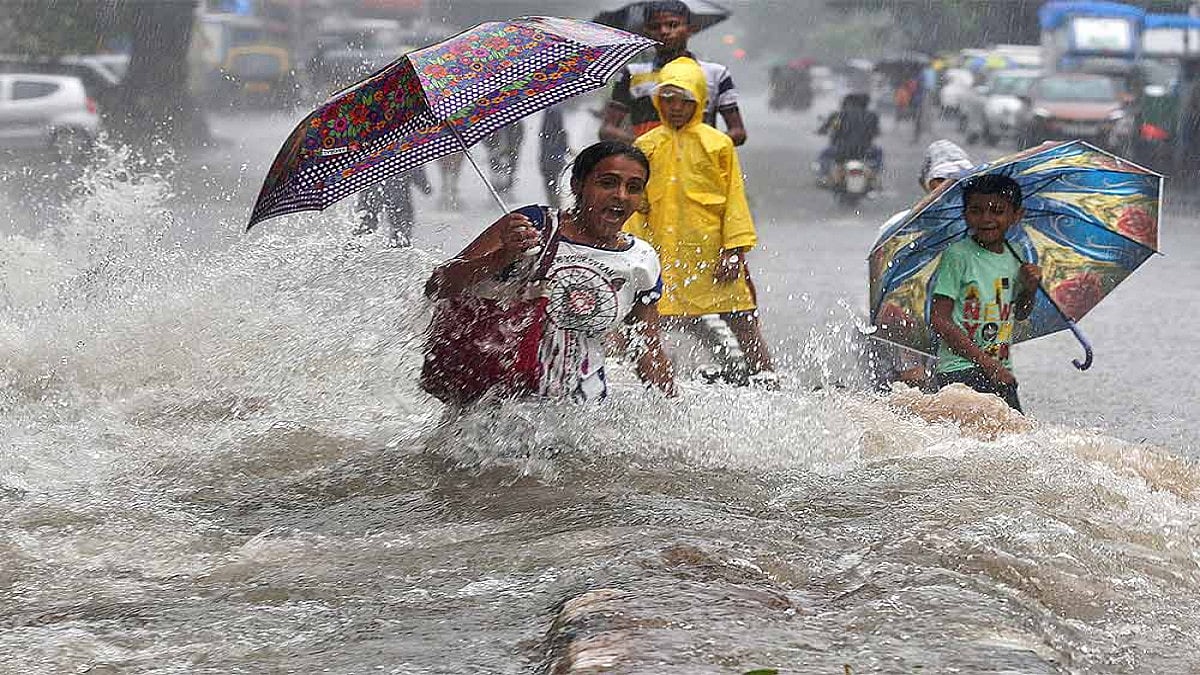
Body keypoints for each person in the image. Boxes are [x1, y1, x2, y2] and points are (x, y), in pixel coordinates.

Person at [425, 140, 675, 402]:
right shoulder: (532, 227)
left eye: (633, 188)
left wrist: (673, 415)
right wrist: (502, 256)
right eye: (607, 183)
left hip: (582, 417)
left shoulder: (640, 259)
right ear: (577, 185)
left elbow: (647, 349)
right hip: (493, 407)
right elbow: (438, 285)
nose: (621, 195)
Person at [624, 57, 775, 383]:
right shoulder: (645, 146)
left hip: (710, 253)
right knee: (645, 320)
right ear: (657, 100)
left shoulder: (718, 144)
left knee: (741, 317)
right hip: (660, 252)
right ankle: (650, 383)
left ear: (699, 100)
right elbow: (637, 205)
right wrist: (631, 253)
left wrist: (733, 251)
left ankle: (767, 379)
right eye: (668, 99)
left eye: (685, 100)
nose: (676, 108)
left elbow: (734, 200)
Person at [929, 174, 1042, 412]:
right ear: (965, 214)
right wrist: (988, 365)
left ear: (1016, 216)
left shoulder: (1018, 255)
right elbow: (939, 319)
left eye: (998, 211)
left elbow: (1020, 313)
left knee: (1015, 439)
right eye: (976, 210)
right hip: (959, 369)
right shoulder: (958, 255)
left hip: (999, 370)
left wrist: (1029, 289)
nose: (986, 219)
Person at [869, 139, 975, 390]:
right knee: (914, 387)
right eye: (941, 182)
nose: (949, 189)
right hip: (908, 319)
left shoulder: (981, 228)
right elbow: (879, 283)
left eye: (958, 182)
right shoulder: (899, 228)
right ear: (927, 185)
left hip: (959, 321)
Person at [599, 0, 747, 146]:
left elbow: (738, 132)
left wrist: (702, 145)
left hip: (700, 167)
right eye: (654, 26)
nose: (664, 31)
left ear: (690, 29)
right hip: (648, 165)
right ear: (646, 32)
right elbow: (607, 129)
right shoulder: (632, 74)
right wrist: (646, 146)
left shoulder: (716, 74)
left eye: (672, 25)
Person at [354, 167, 432, 248]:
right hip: (398, 195)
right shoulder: (405, 157)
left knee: (366, 221)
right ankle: (400, 245)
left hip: (372, 194)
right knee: (401, 225)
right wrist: (424, 186)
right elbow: (418, 174)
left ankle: (357, 245)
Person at [816, 93, 882, 186]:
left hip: (841, 151)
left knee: (824, 155)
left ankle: (823, 176)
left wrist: (823, 130)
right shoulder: (872, 116)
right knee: (878, 153)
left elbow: (829, 127)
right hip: (864, 151)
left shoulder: (839, 115)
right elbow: (876, 132)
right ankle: (874, 176)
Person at [539, 104, 570, 209]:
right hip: (553, 157)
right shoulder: (554, 111)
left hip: (549, 157)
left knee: (552, 185)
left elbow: (546, 136)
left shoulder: (551, 111)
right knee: (554, 185)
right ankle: (556, 208)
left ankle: (555, 208)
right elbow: (560, 133)